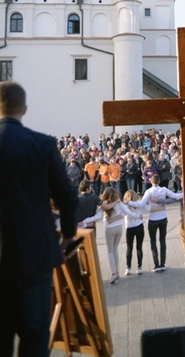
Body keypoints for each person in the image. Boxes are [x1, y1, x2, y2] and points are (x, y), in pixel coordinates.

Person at [0, 81, 78, 357]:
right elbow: (68, 196)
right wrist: (69, 234)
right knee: (34, 337)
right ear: (24, 109)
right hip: (34, 255)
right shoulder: (42, 144)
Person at [125, 174, 182, 272]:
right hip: (163, 218)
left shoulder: (149, 191)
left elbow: (141, 204)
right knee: (162, 240)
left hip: (153, 219)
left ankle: (156, 264)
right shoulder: (164, 189)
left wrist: (129, 202)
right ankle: (163, 264)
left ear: (151, 181)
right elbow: (176, 196)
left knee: (153, 241)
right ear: (159, 181)